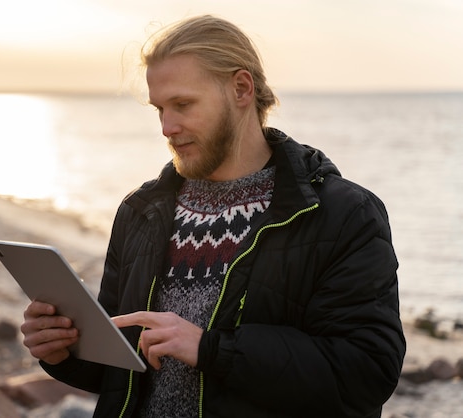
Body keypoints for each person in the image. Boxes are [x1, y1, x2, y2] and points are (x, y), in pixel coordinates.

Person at [20, 15, 405, 417]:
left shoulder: (344, 215)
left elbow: (367, 373)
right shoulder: (140, 212)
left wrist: (211, 350)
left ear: (241, 88)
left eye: (183, 104)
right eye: (160, 109)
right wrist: (63, 349)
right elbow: (119, 375)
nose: (167, 127)